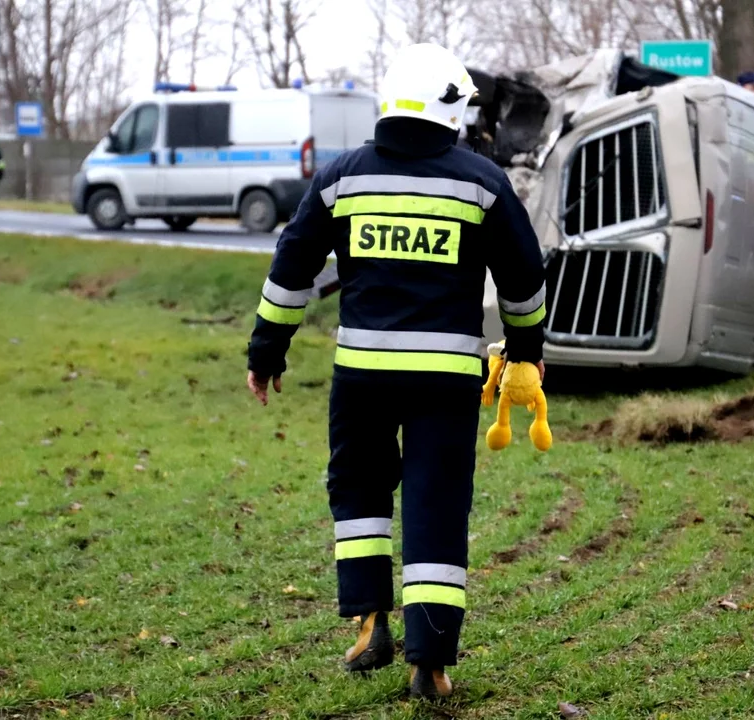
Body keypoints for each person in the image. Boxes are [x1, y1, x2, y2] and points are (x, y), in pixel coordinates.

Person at [245, 43, 547, 699]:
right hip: (445, 383)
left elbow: (292, 268)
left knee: (358, 496)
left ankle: (367, 623)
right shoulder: (481, 183)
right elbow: (524, 277)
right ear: (448, 109)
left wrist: (267, 350)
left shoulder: (342, 177)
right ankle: (429, 665)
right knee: (437, 505)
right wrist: (526, 350)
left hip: (363, 378)